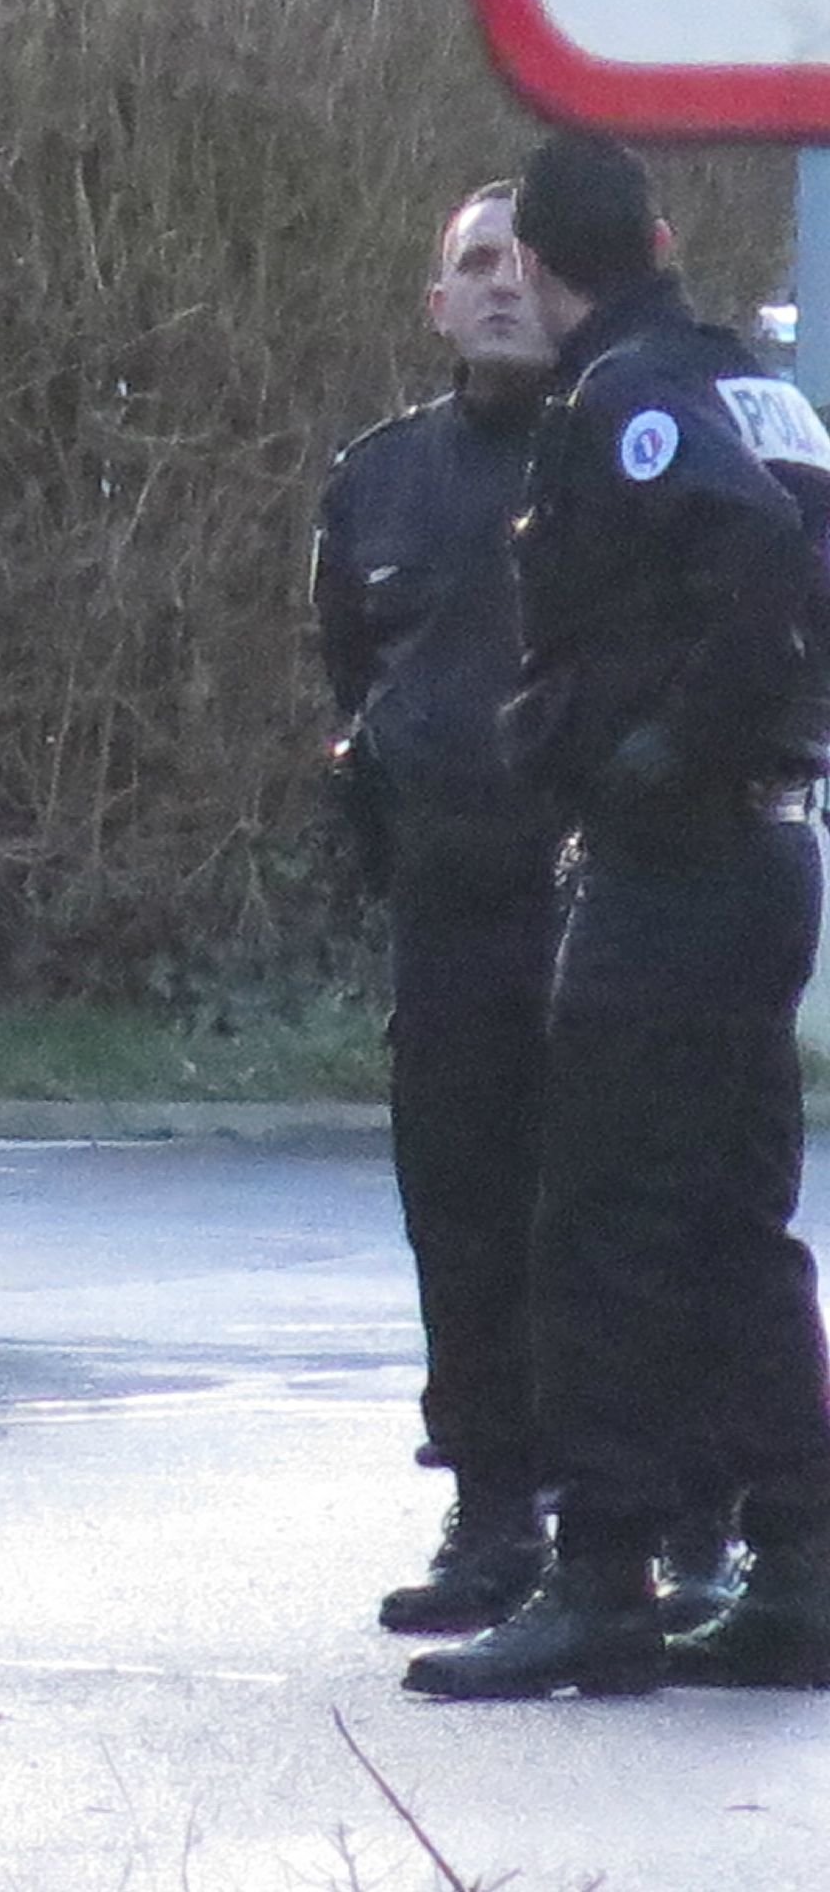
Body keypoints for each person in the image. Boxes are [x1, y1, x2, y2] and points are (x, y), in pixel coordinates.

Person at [406, 133, 830, 1700]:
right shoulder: (755, 388)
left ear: (541, 268)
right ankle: (798, 1566)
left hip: (676, 864)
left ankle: (601, 1583)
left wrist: (656, 751)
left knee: (598, 1223)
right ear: (657, 233)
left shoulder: (630, 400)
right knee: (732, 1221)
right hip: (772, 849)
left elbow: (757, 555)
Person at [317, 183, 574, 1635]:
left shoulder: (623, 455)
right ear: (435, 304)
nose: (499, 289)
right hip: (451, 903)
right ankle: (491, 1511)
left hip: (603, 898)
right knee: (460, 1213)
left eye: (527, 265)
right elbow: (352, 674)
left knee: (610, 1212)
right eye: (473, 266)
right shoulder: (381, 479)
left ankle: (668, 1511)